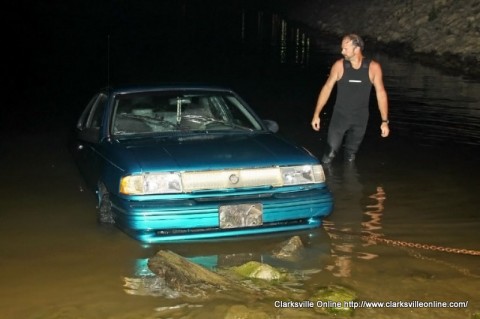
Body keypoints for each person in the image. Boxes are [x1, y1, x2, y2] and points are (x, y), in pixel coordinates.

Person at [311, 34, 390, 164]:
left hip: (360, 119)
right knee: (329, 154)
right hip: (339, 117)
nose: (342, 52)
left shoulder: (373, 68)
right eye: (342, 48)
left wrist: (384, 121)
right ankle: (323, 181)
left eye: (345, 49)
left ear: (357, 49)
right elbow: (327, 88)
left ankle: (349, 182)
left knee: (350, 156)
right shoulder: (339, 66)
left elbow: (381, 94)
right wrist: (316, 114)